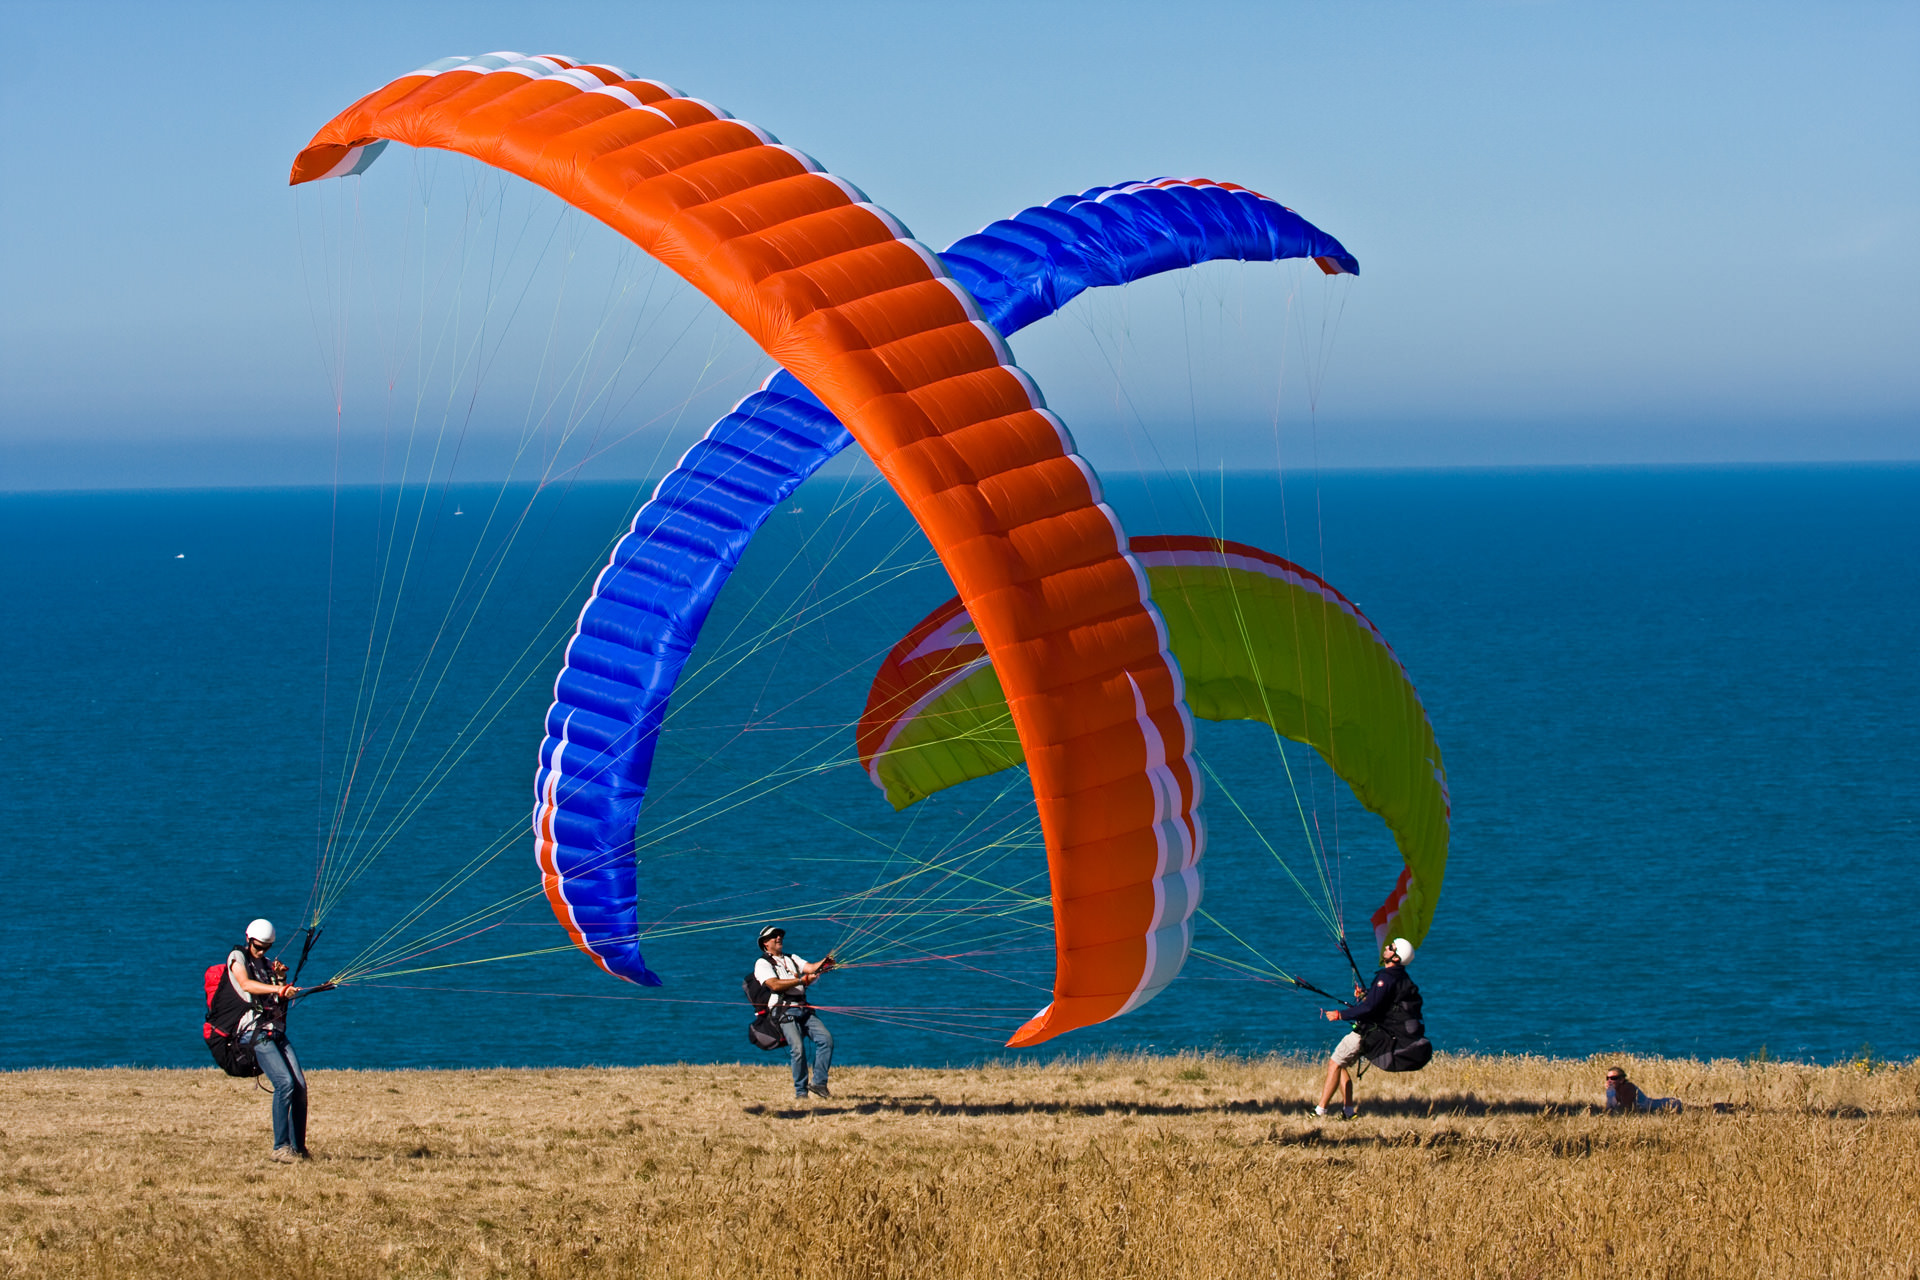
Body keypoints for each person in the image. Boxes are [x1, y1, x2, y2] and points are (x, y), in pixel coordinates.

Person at [227, 918, 310, 1161]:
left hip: (275, 1031)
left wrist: (282, 982)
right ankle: (280, 1148)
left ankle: (299, 1148)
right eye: (258, 946)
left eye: (266, 947)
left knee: (300, 1088)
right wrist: (277, 989)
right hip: (253, 1033)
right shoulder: (237, 957)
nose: (262, 951)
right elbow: (245, 984)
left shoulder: (266, 966)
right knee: (285, 1083)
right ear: (248, 940)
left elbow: (277, 1003)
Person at [1314, 937, 1418, 1118]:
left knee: (1334, 1063)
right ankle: (1348, 1111)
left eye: (1391, 947)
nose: (1386, 947)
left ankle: (1320, 1110)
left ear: (1395, 958)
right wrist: (1367, 994)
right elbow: (1381, 1000)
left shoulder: (1386, 977)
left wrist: (1341, 1015)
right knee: (1340, 1064)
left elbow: (1370, 1008)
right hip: (1380, 1032)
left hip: (1368, 1031)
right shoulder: (1400, 977)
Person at [754, 925, 836, 1100]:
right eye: (774, 936)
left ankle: (819, 1083)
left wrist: (825, 962)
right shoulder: (762, 964)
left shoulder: (792, 959)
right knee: (797, 1049)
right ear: (765, 944)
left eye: (780, 935)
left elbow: (811, 968)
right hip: (783, 1010)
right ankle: (801, 1092)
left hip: (803, 1008)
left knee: (826, 1040)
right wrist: (801, 980)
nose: (779, 938)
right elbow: (774, 985)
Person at [1605, 1066, 1682, 1114]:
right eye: (1607, 1078)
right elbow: (1610, 1108)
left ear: (1621, 1080)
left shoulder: (1628, 1087)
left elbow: (1625, 1109)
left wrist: (1611, 1094)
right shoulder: (1614, 1090)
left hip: (1666, 1105)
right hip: (1655, 1105)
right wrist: (1610, 1093)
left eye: (1613, 1078)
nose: (1609, 1081)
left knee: (1687, 1108)